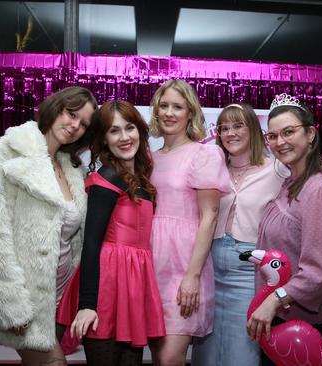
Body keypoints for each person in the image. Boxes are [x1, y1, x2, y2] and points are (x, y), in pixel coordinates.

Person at [0, 86, 97, 366]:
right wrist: (11, 304)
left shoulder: (73, 168)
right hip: (26, 297)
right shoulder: (8, 152)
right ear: (56, 107)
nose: (75, 125)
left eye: (84, 123)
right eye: (71, 113)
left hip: (62, 298)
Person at [246, 94, 322, 364]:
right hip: (287, 319)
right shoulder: (294, 182)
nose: (280, 142)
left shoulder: (319, 190)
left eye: (289, 132)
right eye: (273, 136)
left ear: (311, 134)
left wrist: (273, 301)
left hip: (313, 326)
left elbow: (317, 272)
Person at [64, 100, 166, 365]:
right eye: (114, 131)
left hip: (133, 284)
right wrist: (87, 304)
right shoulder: (107, 177)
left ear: (140, 131)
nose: (124, 137)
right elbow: (91, 244)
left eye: (129, 128)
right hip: (107, 287)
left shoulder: (142, 179)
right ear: (104, 139)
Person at [191, 103, 284, 366]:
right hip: (210, 265)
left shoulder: (277, 169)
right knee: (205, 352)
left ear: (253, 129)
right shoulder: (214, 168)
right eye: (224, 128)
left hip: (248, 271)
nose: (230, 133)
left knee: (242, 351)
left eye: (238, 125)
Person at [147, 79, 230, 365]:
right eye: (164, 106)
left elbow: (210, 217)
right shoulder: (148, 158)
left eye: (178, 107)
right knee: (159, 356)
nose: (170, 113)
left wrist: (192, 276)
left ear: (190, 113)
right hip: (150, 265)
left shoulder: (204, 154)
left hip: (184, 265)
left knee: (171, 357)